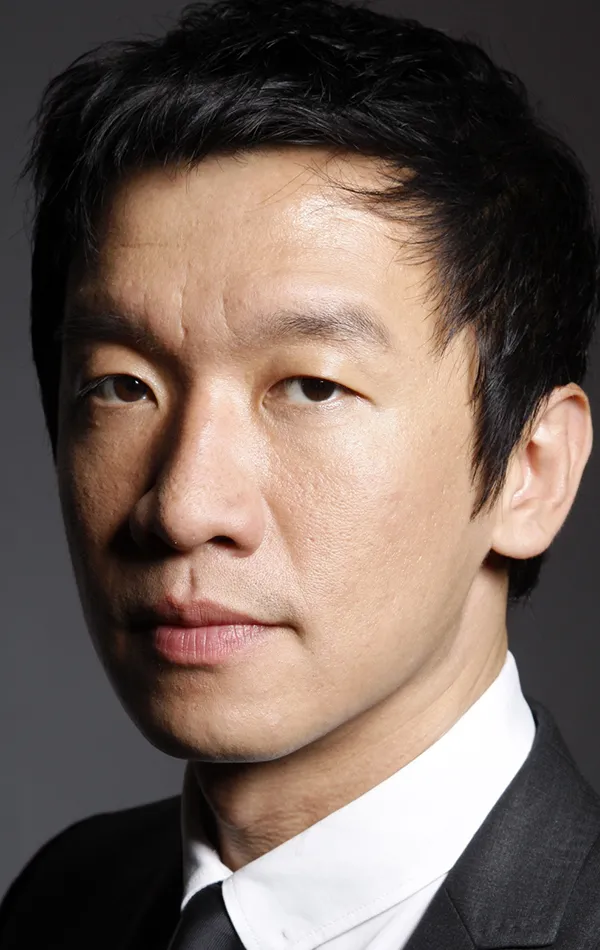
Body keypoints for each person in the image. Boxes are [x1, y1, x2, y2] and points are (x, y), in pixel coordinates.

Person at [2, 0, 600, 946]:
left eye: (313, 387)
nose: (185, 507)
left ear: (532, 471)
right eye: (121, 385)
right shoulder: (61, 902)